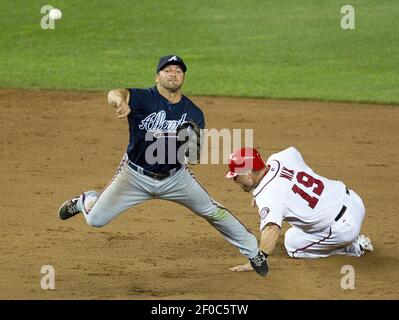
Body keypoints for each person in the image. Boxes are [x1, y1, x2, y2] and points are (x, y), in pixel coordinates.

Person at [57, 55, 268, 277]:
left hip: (175, 178)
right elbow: (115, 93)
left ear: (183, 77)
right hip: (134, 176)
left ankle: (253, 252)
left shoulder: (194, 113)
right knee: (96, 220)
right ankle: (86, 200)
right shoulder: (143, 98)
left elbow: (193, 157)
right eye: (168, 70)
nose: (173, 74)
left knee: (214, 211)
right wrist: (120, 102)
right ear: (157, 76)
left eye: (178, 71)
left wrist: (191, 144)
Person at [225, 146, 373, 274]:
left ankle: (352, 247)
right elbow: (293, 151)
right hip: (353, 200)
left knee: (292, 244)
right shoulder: (279, 158)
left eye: (236, 176)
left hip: (344, 228)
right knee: (299, 215)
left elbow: (271, 228)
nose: (234, 181)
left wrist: (257, 261)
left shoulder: (269, 196)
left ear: (249, 173)